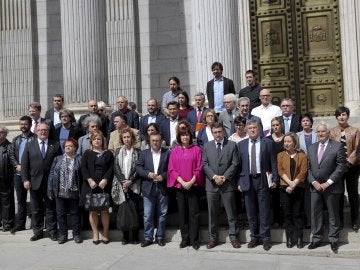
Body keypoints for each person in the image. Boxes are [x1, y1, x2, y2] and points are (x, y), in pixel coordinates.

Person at [237, 119, 278, 251]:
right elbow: (239, 166)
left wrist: (275, 180)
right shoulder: (241, 144)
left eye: (254, 128)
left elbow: (273, 162)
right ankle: (254, 237)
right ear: (246, 130)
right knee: (251, 211)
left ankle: (265, 238)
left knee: (264, 210)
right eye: (250, 128)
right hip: (247, 180)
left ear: (259, 129)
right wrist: (239, 182)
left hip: (263, 180)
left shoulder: (268, 143)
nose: (252, 130)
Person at [307, 121, 347, 252]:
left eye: (323, 131)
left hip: (332, 187)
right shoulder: (311, 147)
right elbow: (308, 169)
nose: (320, 134)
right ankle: (316, 239)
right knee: (315, 214)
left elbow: (341, 167)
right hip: (315, 187)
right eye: (318, 132)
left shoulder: (337, 146)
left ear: (328, 133)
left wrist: (328, 182)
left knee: (333, 214)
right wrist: (314, 182)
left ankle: (334, 240)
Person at [202, 123, 240, 249]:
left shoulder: (232, 145)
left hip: (227, 184)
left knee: (231, 213)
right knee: (212, 214)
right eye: (215, 132)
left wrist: (224, 177)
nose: (218, 134)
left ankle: (234, 237)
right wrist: (214, 177)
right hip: (211, 185)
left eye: (220, 132)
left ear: (223, 132)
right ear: (212, 133)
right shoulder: (207, 146)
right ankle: (213, 238)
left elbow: (235, 163)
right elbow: (204, 164)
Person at [21, 123, 61, 241]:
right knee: (36, 208)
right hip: (34, 182)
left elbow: (59, 162)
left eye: (45, 130)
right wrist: (25, 179)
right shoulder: (29, 145)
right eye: (41, 130)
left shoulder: (55, 144)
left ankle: (52, 231)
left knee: (50, 208)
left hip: (50, 183)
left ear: (48, 132)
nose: (43, 132)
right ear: (36, 132)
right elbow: (24, 164)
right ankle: (37, 232)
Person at [168, 128, 204, 250]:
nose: (185, 137)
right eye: (182, 135)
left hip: (193, 186)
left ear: (190, 136)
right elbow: (171, 169)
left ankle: (194, 240)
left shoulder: (197, 150)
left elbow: (199, 167)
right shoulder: (175, 151)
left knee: (194, 214)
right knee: (182, 214)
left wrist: (191, 181)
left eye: (187, 135)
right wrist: (182, 182)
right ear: (179, 137)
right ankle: (185, 239)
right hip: (180, 186)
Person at [136, 132, 170, 247]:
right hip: (148, 188)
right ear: (149, 142)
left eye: (157, 140)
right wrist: (148, 174)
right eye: (153, 140)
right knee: (148, 214)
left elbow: (171, 169)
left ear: (161, 141)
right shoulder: (144, 153)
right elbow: (138, 167)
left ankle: (160, 237)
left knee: (162, 214)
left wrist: (163, 176)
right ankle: (148, 237)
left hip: (162, 188)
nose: (155, 142)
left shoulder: (167, 153)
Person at [80, 130, 114, 245]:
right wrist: (89, 180)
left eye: (99, 139)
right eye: (94, 139)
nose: (97, 141)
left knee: (104, 210)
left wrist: (105, 179)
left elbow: (111, 168)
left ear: (102, 141)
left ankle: (105, 233)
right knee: (93, 210)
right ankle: (95, 234)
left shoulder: (108, 153)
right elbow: (83, 168)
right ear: (91, 141)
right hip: (91, 186)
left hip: (104, 185)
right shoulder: (87, 153)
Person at [330, 106, 360, 231]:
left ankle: (355, 221)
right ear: (336, 117)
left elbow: (358, 149)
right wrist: (339, 163)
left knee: (353, 194)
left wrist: (349, 161)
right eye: (339, 115)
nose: (341, 117)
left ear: (347, 116)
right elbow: (330, 150)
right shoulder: (332, 132)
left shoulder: (355, 130)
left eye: (344, 114)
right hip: (338, 168)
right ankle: (340, 221)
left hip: (352, 167)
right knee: (339, 194)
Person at [48, 138, 82, 244]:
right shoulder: (57, 159)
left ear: (75, 148)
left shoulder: (79, 158)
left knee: (75, 214)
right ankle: (63, 235)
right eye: (66, 146)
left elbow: (82, 175)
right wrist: (50, 190)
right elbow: (52, 175)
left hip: (75, 192)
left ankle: (76, 235)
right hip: (60, 192)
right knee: (60, 214)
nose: (67, 147)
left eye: (70, 146)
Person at [277, 132, 307, 249]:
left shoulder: (302, 156)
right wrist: (289, 183)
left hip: (298, 188)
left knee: (297, 214)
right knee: (287, 214)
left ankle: (300, 238)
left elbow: (303, 172)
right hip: (285, 188)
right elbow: (280, 170)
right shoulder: (280, 155)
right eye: (285, 141)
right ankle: (289, 238)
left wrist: (294, 184)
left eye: (289, 141)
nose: (287, 143)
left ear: (294, 142)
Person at [113, 128, 141, 245]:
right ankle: (125, 236)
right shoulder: (118, 151)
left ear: (132, 138)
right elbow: (116, 167)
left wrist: (130, 181)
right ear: (122, 139)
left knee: (134, 210)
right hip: (121, 185)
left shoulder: (138, 152)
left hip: (134, 185)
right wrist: (123, 182)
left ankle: (134, 236)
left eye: (128, 137)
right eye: (124, 137)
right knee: (123, 210)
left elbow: (138, 168)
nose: (126, 139)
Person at [9, 116, 36, 233]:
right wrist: (17, 165)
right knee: (21, 200)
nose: (23, 126)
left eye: (25, 124)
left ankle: (36, 224)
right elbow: (11, 155)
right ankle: (20, 224)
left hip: (32, 174)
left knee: (35, 200)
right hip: (18, 174)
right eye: (21, 124)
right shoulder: (16, 140)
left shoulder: (35, 138)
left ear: (30, 125)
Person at [297, 113, 317, 228]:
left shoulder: (317, 134)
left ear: (311, 122)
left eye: (307, 120)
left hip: (315, 168)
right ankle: (307, 220)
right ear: (300, 123)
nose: (305, 122)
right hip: (302, 168)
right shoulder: (297, 135)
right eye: (303, 121)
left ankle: (315, 220)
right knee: (305, 197)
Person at [268, 117, 285, 227]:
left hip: (285, 171)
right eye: (273, 125)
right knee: (274, 197)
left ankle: (284, 220)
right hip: (272, 171)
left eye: (277, 125)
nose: (275, 127)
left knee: (284, 197)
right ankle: (276, 219)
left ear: (281, 125)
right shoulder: (268, 139)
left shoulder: (286, 138)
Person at [0, 125, 15, 232]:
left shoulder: (10, 146)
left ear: (5, 134)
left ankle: (7, 223)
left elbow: (13, 161)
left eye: (1, 132)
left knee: (6, 203)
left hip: (5, 178)